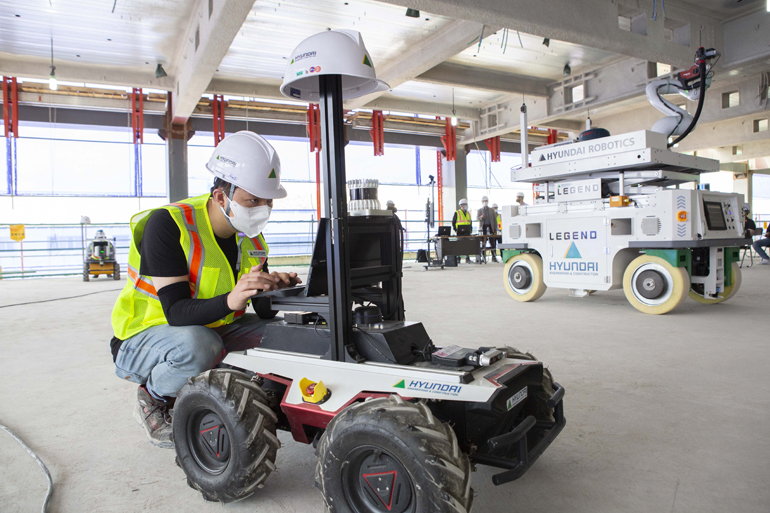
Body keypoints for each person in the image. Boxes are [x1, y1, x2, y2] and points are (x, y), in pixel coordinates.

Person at [110, 131, 302, 448]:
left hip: (214, 327)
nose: (263, 209)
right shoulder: (168, 224)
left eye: (267, 201)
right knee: (201, 346)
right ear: (220, 197)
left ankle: (252, 391)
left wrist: (275, 289)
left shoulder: (250, 237)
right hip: (146, 335)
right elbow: (175, 312)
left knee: (287, 334)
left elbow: (265, 312)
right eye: (253, 200)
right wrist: (232, 299)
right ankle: (153, 396)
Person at [476, 196, 498, 262]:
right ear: (482, 202)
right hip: (483, 227)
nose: (485, 202)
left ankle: (493, 256)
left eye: (486, 201)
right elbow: (477, 218)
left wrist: (495, 228)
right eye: (483, 201)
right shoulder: (479, 210)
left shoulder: (491, 210)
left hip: (490, 226)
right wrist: (481, 217)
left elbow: (494, 219)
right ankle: (483, 257)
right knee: (483, 243)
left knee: (492, 242)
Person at [452, 198, 472, 263]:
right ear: (461, 205)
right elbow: (453, 222)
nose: (465, 206)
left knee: (467, 245)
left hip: (467, 232)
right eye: (464, 204)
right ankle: (458, 258)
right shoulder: (457, 213)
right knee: (459, 245)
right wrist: (455, 230)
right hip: (460, 232)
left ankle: (467, 257)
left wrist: (470, 230)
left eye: (466, 204)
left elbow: (470, 222)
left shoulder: (468, 213)